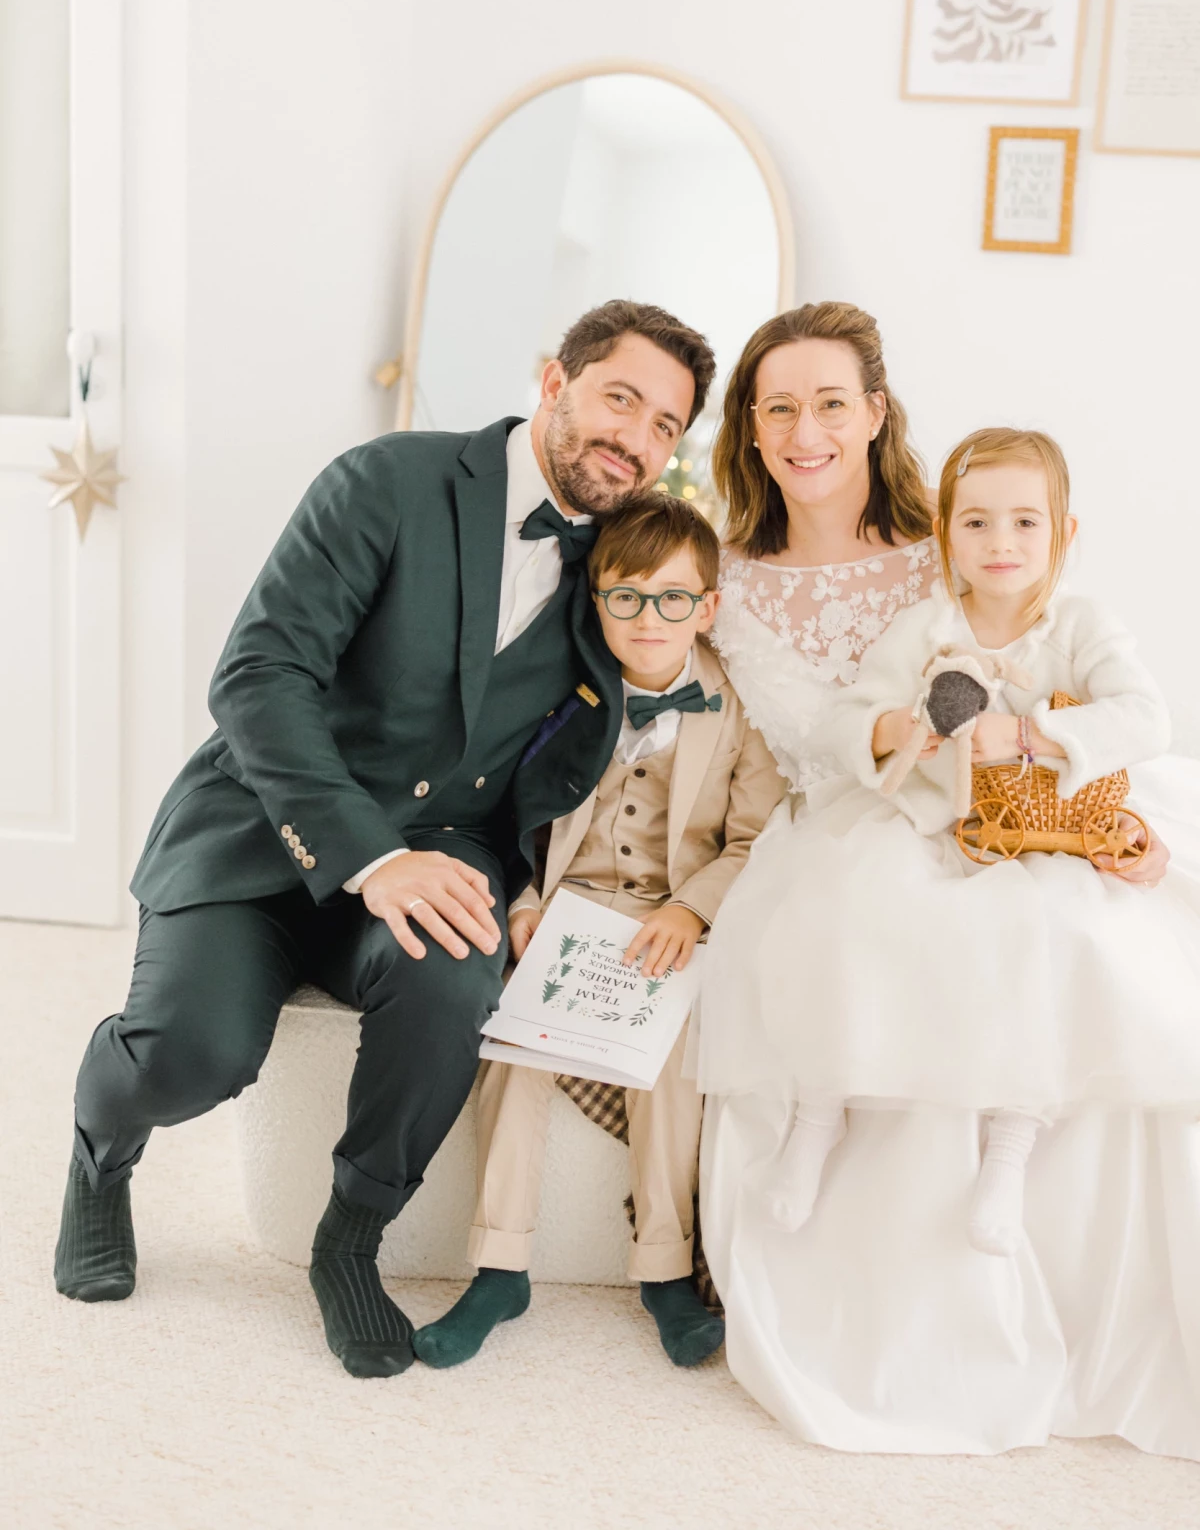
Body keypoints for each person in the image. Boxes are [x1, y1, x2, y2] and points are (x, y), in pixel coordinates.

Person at [54, 299, 716, 1380]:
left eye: (665, 427)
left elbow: (610, 730)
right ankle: (98, 1149)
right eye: (621, 400)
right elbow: (257, 679)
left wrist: (515, 887)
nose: (637, 439)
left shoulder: (619, 573)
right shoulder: (387, 482)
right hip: (260, 836)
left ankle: (348, 1241)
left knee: (460, 977)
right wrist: (371, 857)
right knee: (194, 1057)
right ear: (555, 383)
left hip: (443, 848)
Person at [698, 302, 1198, 1460]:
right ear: (752, 428)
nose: (807, 428)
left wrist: (1070, 782)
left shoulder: (960, 535)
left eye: (833, 401)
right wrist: (906, 743)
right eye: (779, 406)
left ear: (876, 413)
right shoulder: (735, 578)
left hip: (1029, 798)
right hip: (867, 807)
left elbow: (1087, 681)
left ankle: (1012, 1156)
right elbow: (821, 736)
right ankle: (826, 1133)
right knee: (864, 908)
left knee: (1093, 921)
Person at [411, 493, 786, 1370]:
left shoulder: (740, 713)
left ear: (707, 607)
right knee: (513, 1045)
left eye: (671, 599)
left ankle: (662, 1265)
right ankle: (499, 1264)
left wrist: (690, 908)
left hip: (669, 914)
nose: (647, 619)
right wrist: (525, 904)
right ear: (596, 603)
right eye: (625, 597)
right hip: (566, 908)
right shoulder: (561, 694)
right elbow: (502, 817)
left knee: (673, 1047)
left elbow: (755, 838)